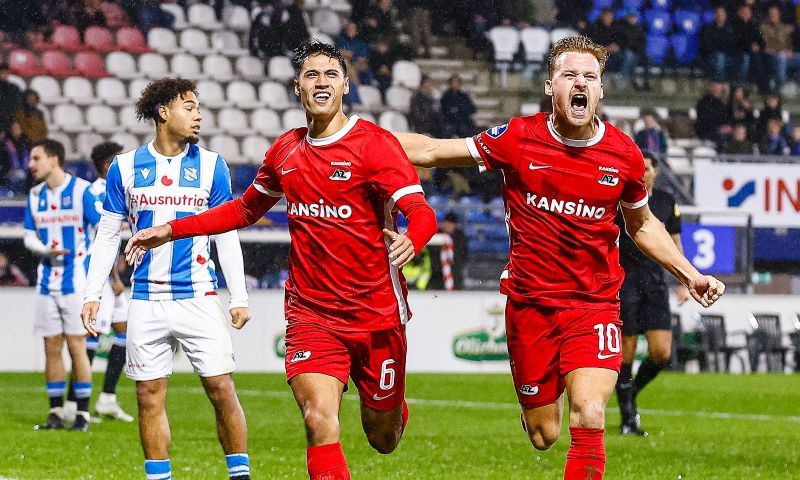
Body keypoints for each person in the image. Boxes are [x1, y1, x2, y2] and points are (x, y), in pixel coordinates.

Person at [392, 36, 725, 479]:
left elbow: (642, 224)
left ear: (601, 91)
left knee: (589, 413)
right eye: (569, 75)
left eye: (589, 76)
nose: (579, 83)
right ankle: (539, 407)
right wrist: (350, 136)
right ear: (551, 86)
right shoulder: (518, 138)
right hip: (530, 306)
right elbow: (434, 150)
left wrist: (690, 274)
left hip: (594, 305)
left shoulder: (624, 155)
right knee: (544, 433)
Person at [124, 41, 438, 480]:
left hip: (377, 314)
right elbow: (243, 210)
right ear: (297, 87)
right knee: (318, 419)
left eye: (331, 74)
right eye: (311, 75)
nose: (322, 82)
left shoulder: (376, 145)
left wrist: (413, 238)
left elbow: (423, 213)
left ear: (346, 85)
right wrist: (172, 228)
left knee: (383, 438)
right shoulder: (286, 151)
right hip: (313, 314)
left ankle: (388, 403)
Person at [80, 78, 253, 480]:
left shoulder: (212, 165)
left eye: (198, 107)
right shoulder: (125, 166)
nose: (199, 115)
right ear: (163, 112)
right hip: (146, 298)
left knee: (221, 390)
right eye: (189, 106)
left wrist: (238, 295)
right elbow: (107, 235)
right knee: (147, 397)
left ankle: (239, 475)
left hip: (198, 294)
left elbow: (226, 232)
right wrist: (93, 293)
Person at [24, 139, 99, 432]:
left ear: (54, 159)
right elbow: (30, 234)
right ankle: (56, 412)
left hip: (76, 283)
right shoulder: (34, 195)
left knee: (76, 346)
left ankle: (82, 414)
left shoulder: (82, 191)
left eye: (36, 158)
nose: (30, 164)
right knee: (51, 347)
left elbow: (104, 227)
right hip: (46, 283)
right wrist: (44, 250)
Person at [614, 150, 689, 436]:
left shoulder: (667, 202)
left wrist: (684, 280)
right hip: (625, 279)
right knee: (627, 352)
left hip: (655, 281)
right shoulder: (621, 198)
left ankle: (630, 392)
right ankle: (627, 419)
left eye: (647, 168)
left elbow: (674, 243)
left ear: (655, 171)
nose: (643, 172)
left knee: (661, 352)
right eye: (639, 168)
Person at [66, 142, 134, 423]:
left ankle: (107, 398)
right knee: (90, 337)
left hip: (111, 277)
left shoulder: (116, 191)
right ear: (107, 165)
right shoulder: (94, 194)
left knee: (124, 332)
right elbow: (99, 240)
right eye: (118, 161)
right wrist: (113, 277)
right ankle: (74, 403)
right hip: (98, 276)